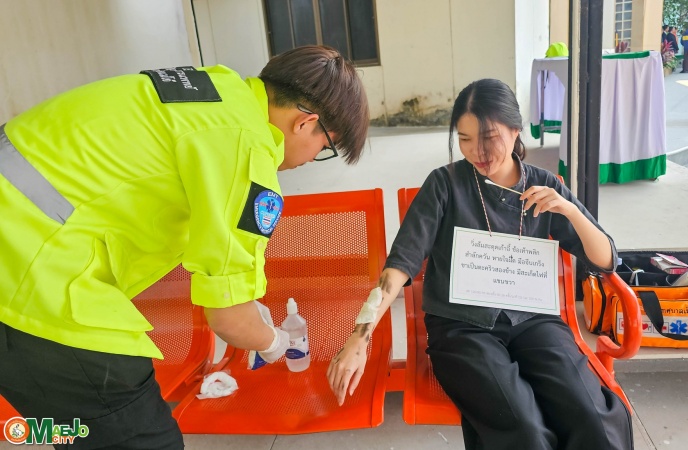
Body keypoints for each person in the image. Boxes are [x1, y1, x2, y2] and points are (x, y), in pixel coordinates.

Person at [0, 45, 368, 449]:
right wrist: (273, 341)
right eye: (325, 148)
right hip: (31, 277)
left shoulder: (215, 89)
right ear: (305, 123)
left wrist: (243, 300)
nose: (312, 159)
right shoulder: (246, 149)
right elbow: (228, 319)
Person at [327, 79, 632, 450]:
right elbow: (400, 263)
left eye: (489, 137)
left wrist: (569, 209)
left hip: (533, 320)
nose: (477, 151)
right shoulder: (445, 184)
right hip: (462, 327)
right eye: (465, 138)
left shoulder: (542, 187)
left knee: (592, 416)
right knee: (522, 427)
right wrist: (360, 337)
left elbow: (606, 259)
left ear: (516, 130)